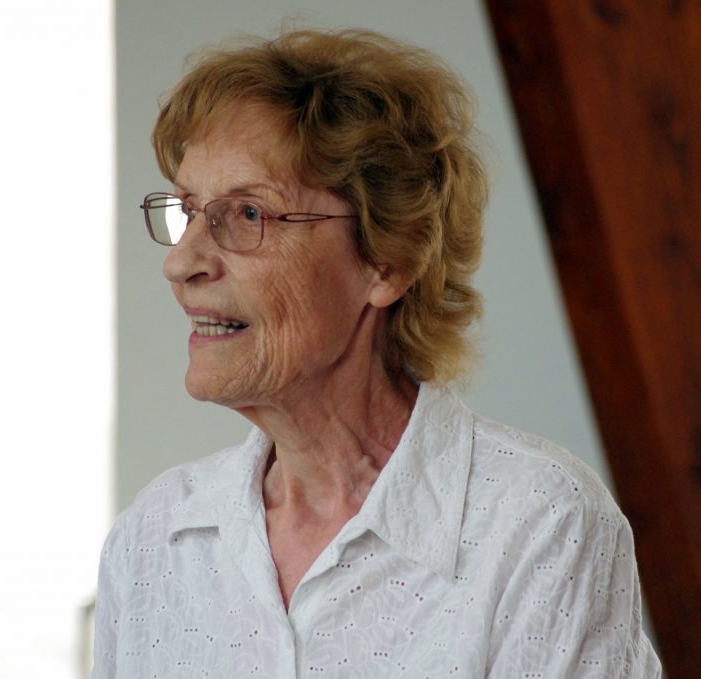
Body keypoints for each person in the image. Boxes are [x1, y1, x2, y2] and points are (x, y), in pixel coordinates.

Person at [94, 28, 661, 678]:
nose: (180, 262)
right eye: (188, 210)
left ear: (386, 260)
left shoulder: (539, 522)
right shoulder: (153, 539)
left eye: (247, 214)